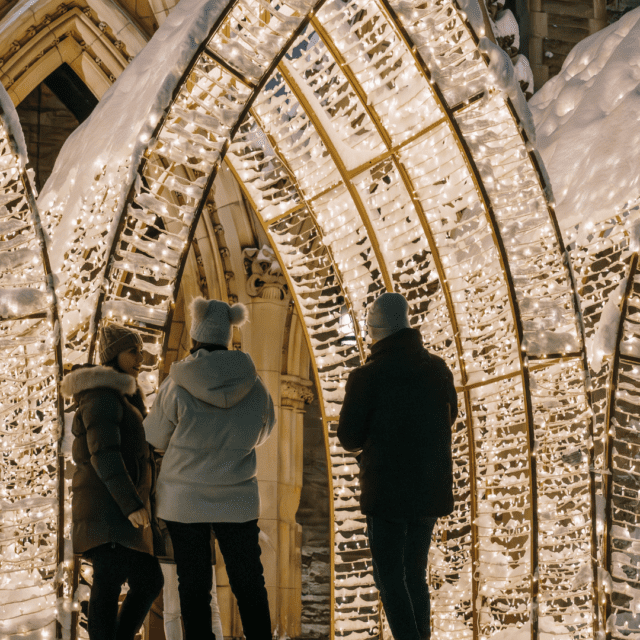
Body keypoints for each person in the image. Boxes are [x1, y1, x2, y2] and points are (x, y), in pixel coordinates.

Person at [144, 297, 276, 640]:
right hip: (238, 500)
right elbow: (264, 431)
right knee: (249, 584)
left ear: (196, 336)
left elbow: (155, 436)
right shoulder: (255, 385)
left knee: (194, 587)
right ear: (228, 335)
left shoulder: (176, 383)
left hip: (184, 500)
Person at [337, 292, 458, 640]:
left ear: (376, 328)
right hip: (428, 489)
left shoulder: (366, 377)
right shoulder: (437, 368)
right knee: (414, 573)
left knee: (389, 577)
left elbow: (348, 436)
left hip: (386, 490)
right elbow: (449, 415)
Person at [61, 323, 164, 640]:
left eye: (140, 350)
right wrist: (131, 503)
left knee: (139, 580)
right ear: (112, 354)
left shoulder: (122, 397)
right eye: (132, 351)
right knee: (117, 581)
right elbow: (104, 454)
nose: (141, 358)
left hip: (118, 512)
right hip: (110, 510)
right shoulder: (103, 397)